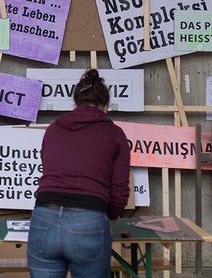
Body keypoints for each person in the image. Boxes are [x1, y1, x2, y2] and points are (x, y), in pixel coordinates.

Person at [27, 69, 130, 278]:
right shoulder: (115, 134)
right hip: (89, 218)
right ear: (106, 107)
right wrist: (108, 217)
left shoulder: (54, 128)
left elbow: (48, 169)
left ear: (75, 105)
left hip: (44, 217)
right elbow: (119, 191)